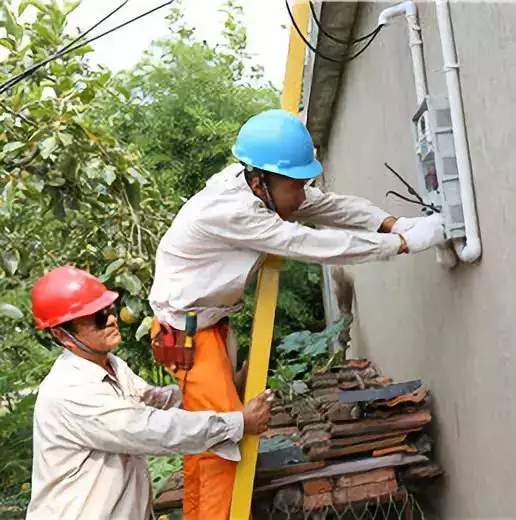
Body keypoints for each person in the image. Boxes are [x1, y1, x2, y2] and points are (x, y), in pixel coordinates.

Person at [148, 108, 446, 520]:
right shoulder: (232, 211)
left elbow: (327, 207)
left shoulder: (255, 186)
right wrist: (401, 246)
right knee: (222, 448)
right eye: (297, 185)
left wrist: (393, 223)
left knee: (209, 446)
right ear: (261, 182)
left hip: (207, 327)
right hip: (190, 337)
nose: (304, 195)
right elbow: (313, 245)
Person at [27, 265, 272, 520]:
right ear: (62, 334)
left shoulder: (111, 365)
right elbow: (150, 429)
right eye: (97, 318)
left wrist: (222, 387)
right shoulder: (70, 391)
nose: (111, 320)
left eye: (108, 310)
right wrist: (238, 423)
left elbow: (156, 401)